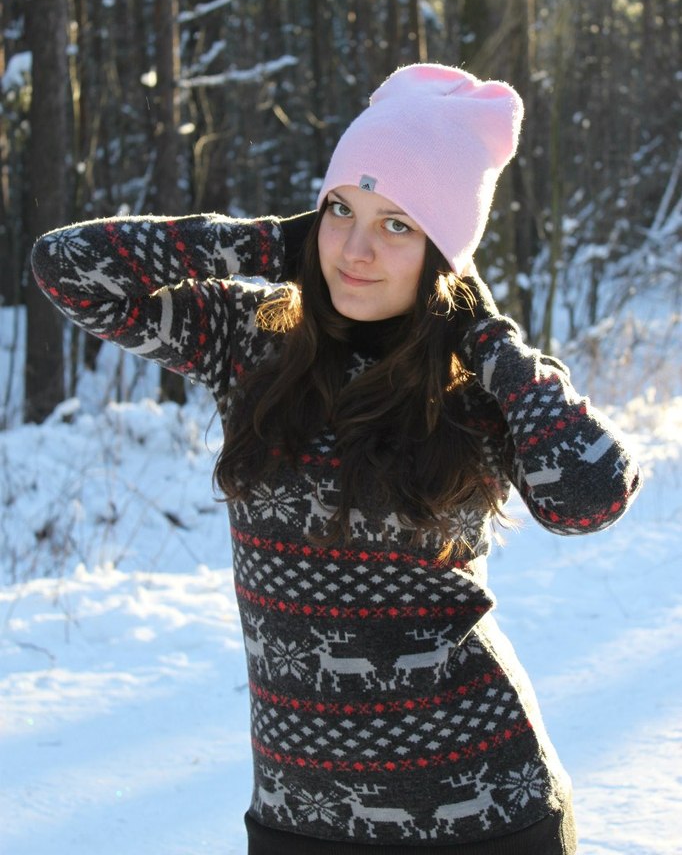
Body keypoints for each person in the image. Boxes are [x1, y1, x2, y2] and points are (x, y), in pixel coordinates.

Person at [32, 64, 641, 854]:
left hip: (486, 813)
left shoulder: (479, 381)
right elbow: (67, 266)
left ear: (445, 250)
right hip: (296, 818)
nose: (355, 250)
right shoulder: (251, 338)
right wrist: (266, 242)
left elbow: (592, 496)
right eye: (340, 210)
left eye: (398, 225)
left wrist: (488, 337)